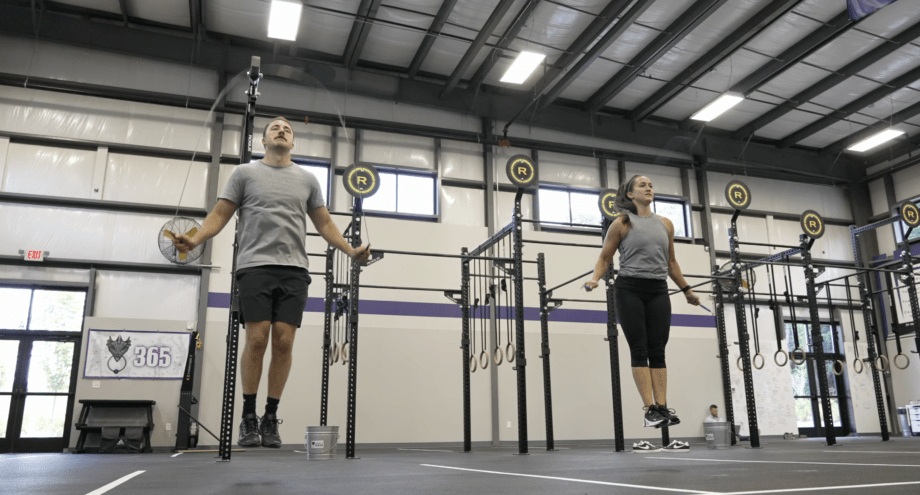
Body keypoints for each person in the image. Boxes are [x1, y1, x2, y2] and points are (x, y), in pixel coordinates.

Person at [171, 116, 370, 448]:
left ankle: (269, 417)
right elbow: (220, 214)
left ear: (292, 143)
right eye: (275, 128)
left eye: (288, 129)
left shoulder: (308, 179)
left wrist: (351, 250)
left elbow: (324, 223)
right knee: (258, 339)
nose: (282, 130)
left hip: (294, 271)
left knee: (284, 342)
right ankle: (248, 417)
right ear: (263, 141)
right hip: (255, 266)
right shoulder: (245, 173)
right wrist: (195, 239)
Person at [585, 175, 700, 453]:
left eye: (650, 185)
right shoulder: (621, 224)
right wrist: (595, 279)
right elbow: (605, 257)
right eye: (642, 185)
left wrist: (686, 290)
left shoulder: (666, 224)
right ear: (630, 193)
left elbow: (671, 262)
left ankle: (662, 406)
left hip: (658, 290)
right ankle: (649, 409)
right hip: (629, 289)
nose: (649, 188)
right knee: (639, 348)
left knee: (658, 348)